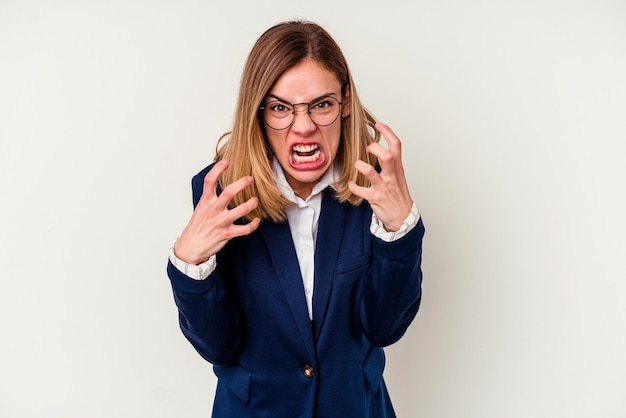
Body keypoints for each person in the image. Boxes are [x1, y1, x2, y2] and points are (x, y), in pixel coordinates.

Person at [167, 20, 425, 418]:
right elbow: (218, 346)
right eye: (281, 108)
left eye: (321, 104)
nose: (303, 126)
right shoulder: (221, 191)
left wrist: (398, 231)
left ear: (344, 104)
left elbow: (383, 328)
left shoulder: (375, 185)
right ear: (258, 112)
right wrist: (190, 263)